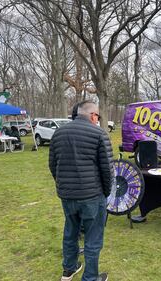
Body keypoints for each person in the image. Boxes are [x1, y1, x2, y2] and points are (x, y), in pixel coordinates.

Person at [49, 101, 113, 281]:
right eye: (97, 116)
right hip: (92, 195)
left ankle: (68, 269)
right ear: (93, 115)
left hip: (68, 195)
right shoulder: (99, 133)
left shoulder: (58, 133)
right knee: (93, 238)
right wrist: (106, 192)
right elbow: (107, 169)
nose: (97, 119)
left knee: (71, 231)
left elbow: (53, 165)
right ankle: (90, 278)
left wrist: (63, 185)